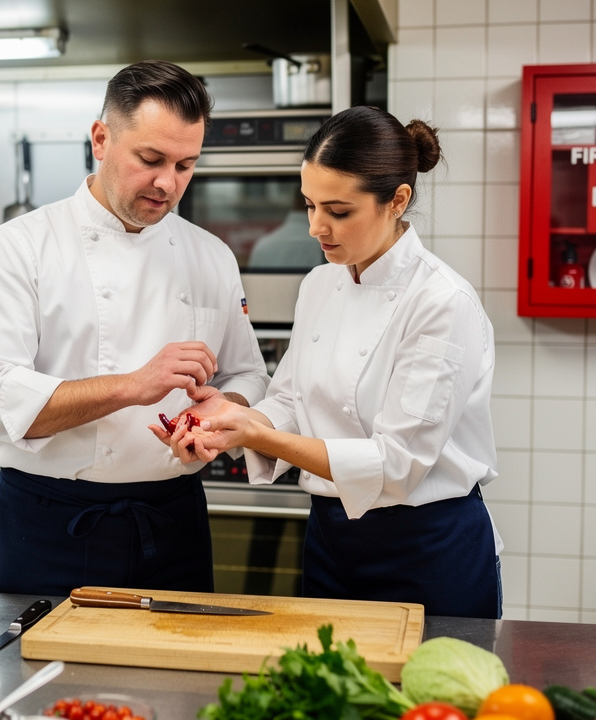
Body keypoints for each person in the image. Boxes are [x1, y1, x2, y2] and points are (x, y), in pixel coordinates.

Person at [157, 106, 503, 618]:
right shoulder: (321, 283)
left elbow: (397, 465)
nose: (317, 227)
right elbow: (291, 400)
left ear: (397, 200)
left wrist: (255, 434)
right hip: (330, 538)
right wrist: (230, 418)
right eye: (310, 205)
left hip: (427, 546)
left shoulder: (440, 302)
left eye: (339, 211)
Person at [0, 60, 271, 596]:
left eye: (186, 165)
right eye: (150, 159)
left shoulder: (211, 256)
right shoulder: (20, 246)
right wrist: (132, 385)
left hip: (174, 525)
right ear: (101, 139)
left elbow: (249, 377)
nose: (168, 183)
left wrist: (218, 416)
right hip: (50, 526)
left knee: (179, 680)